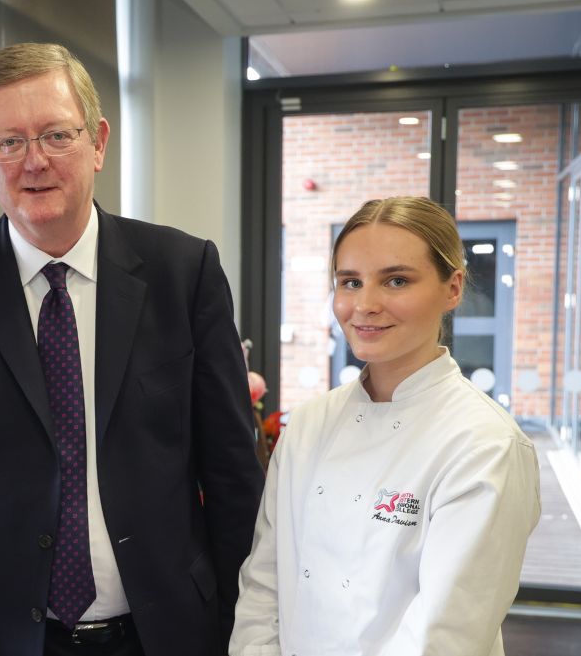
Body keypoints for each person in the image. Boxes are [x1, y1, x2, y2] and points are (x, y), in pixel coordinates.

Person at [0, 43, 264, 656]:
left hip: (166, 634)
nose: (33, 162)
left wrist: (246, 633)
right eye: (9, 142)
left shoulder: (183, 272)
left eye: (56, 135)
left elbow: (230, 475)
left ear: (99, 143)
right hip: (1, 640)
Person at [229, 197, 541, 656]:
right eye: (349, 282)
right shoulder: (310, 424)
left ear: (452, 288)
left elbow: (446, 633)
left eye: (396, 280)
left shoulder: (484, 443)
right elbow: (263, 585)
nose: (365, 305)